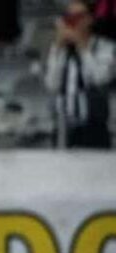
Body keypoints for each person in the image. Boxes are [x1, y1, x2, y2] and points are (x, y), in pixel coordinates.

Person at [45, 0, 116, 149]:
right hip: (63, 126)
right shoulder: (60, 49)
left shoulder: (105, 47)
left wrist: (82, 48)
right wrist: (57, 48)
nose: (72, 22)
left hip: (95, 125)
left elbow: (100, 78)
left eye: (77, 17)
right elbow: (51, 84)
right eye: (68, 17)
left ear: (89, 19)